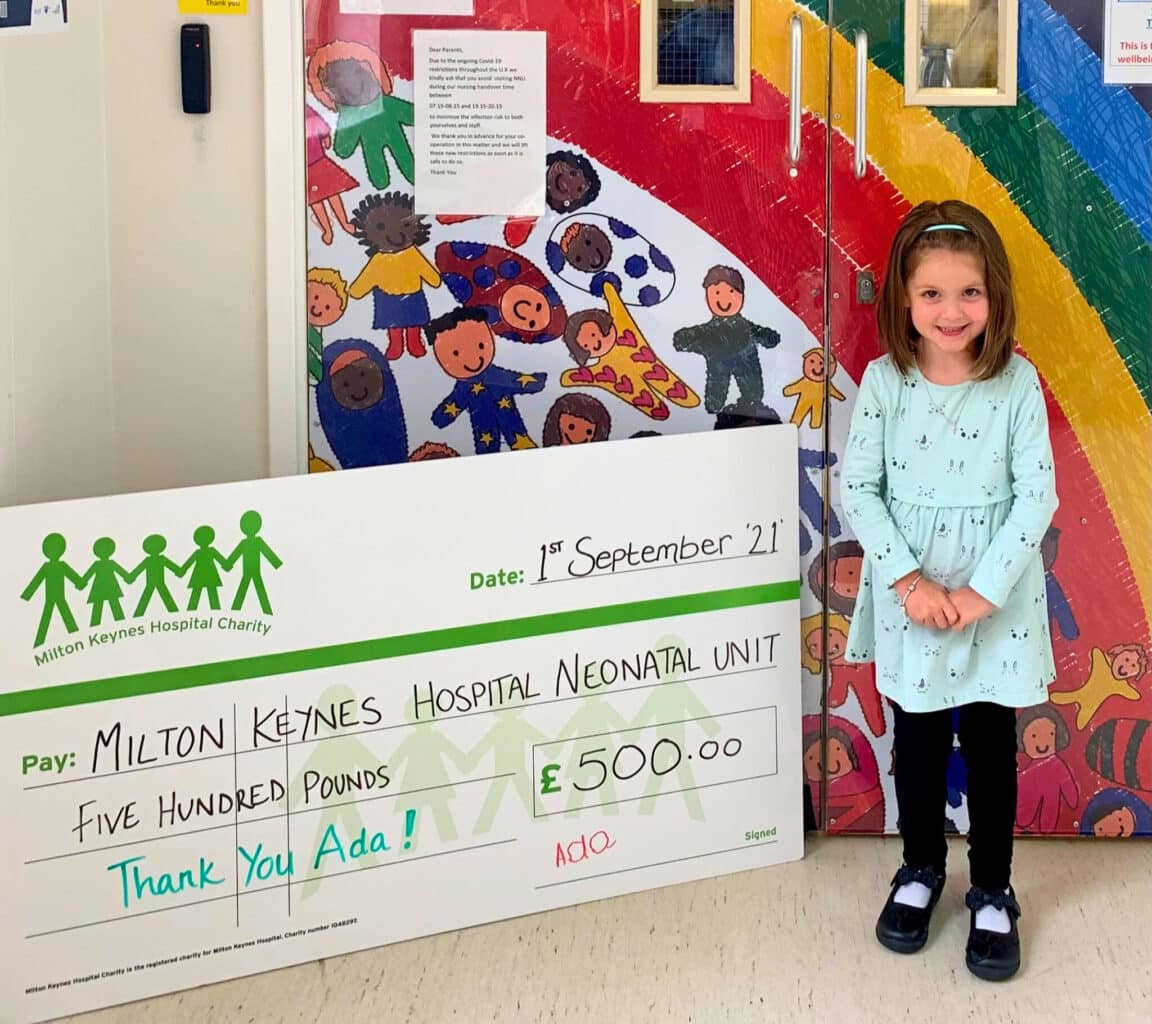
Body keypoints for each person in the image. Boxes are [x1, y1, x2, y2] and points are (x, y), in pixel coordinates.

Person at [840, 200, 1058, 982]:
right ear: (904, 298)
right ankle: (923, 868)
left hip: (991, 604)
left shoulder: (1017, 384)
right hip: (913, 602)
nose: (951, 310)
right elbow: (859, 489)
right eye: (931, 293)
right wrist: (908, 579)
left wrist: (981, 594)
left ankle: (994, 888)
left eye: (969, 292)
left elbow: (1037, 496)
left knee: (993, 747)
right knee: (921, 744)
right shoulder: (885, 382)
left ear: (994, 296)